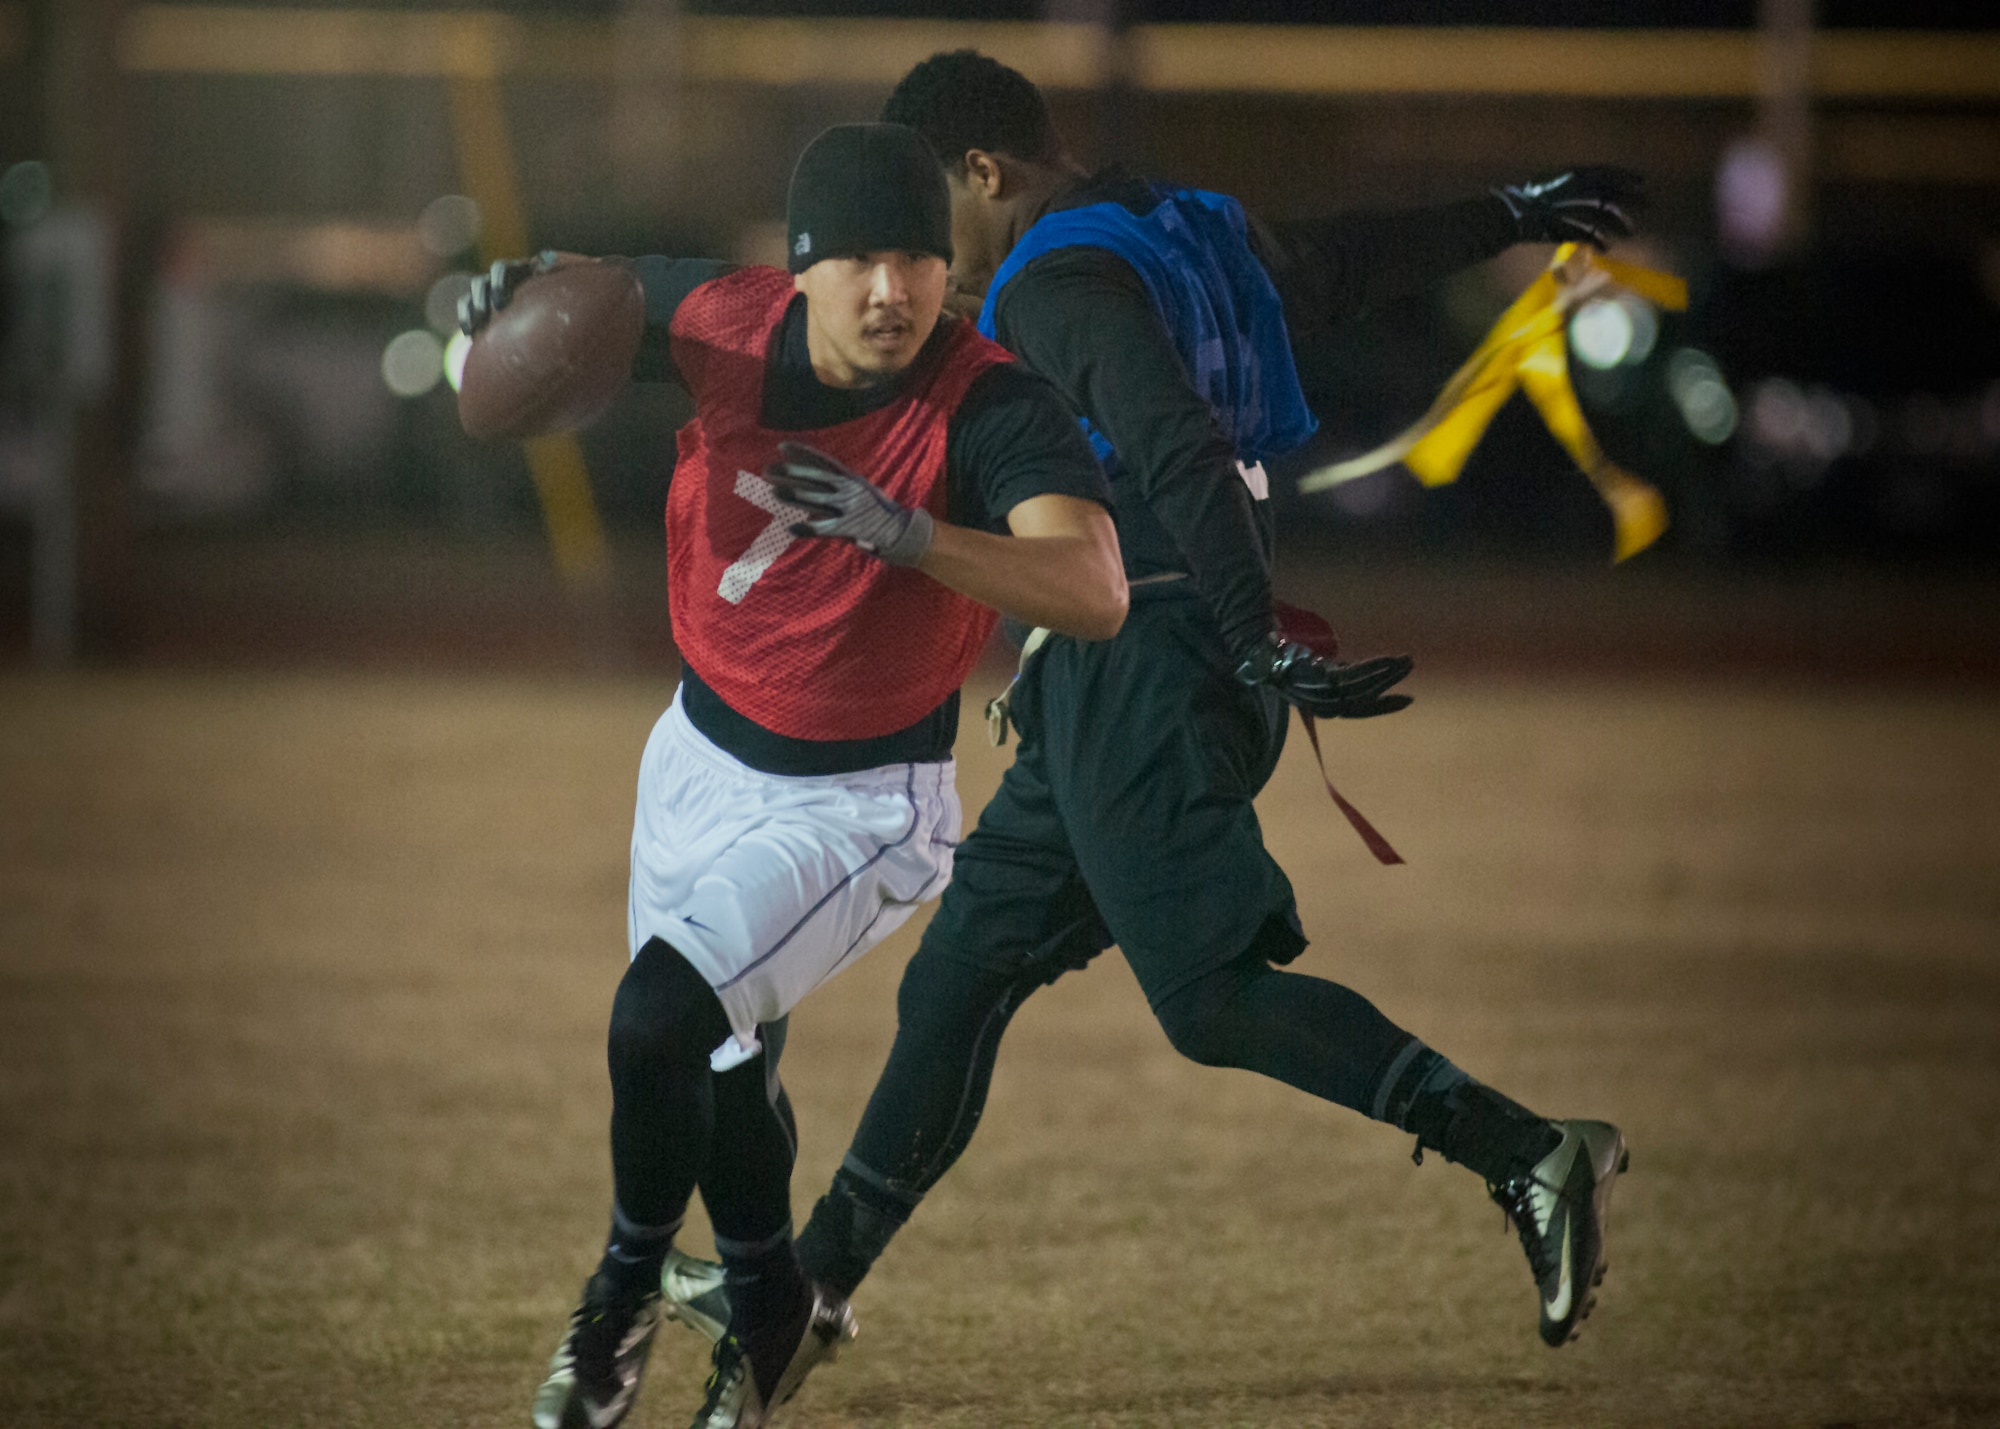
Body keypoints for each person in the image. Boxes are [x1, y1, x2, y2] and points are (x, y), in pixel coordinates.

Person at [658, 51, 1640, 1359]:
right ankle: (810, 1283)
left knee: (1211, 997)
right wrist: (1509, 211)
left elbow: (1168, 440)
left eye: (920, 216)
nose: (907, 261)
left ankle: (1527, 1149)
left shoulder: (1054, 275)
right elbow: (1345, 263)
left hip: (1153, 657)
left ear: (984, 175)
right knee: (958, 975)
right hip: (1118, 667)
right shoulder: (1186, 230)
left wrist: (1245, 636)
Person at [459, 121, 1127, 1429]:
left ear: (950, 269)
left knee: (655, 1015)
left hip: (861, 805)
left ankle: (617, 1299)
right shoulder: (722, 320)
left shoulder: (987, 400)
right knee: (716, 1062)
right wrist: (520, 286)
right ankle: (769, 1296)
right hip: (695, 752)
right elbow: (599, 289)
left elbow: (1095, 587)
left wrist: (918, 534)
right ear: (801, 269)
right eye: (861, 262)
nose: (893, 292)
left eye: (921, 261)